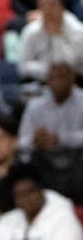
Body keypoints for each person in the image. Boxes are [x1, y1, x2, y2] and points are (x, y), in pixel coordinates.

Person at [18, 62, 83, 202]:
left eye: (63, 77)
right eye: (54, 77)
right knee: (25, 160)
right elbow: (21, 141)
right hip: (46, 161)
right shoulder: (35, 105)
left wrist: (60, 139)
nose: (58, 81)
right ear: (47, 81)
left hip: (76, 161)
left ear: (73, 79)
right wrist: (35, 141)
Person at [16, 0, 83, 82]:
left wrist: (56, 37)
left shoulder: (77, 29)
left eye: (52, 6)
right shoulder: (31, 31)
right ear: (39, 10)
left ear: (61, 7)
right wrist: (47, 70)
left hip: (74, 82)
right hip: (41, 83)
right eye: (44, 7)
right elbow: (22, 67)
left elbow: (76, 64)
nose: (49, 11)